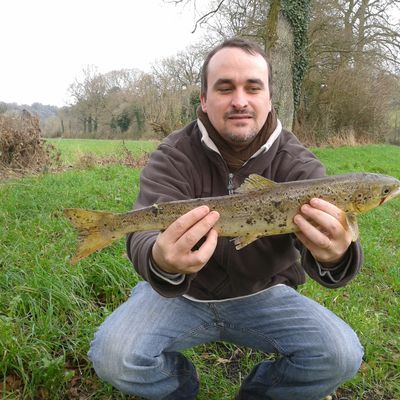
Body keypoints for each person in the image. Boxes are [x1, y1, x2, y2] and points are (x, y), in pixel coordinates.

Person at [88, 38, 364, 400]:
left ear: (268, 98)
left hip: (265, 294)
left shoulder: (299, 164)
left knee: (341, 355)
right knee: (113, 355)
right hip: (182, 296)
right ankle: (180, 390)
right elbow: (145, 228)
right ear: (203, 99)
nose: (239, 100)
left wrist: (336, 254)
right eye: (224, 88)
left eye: (253, 87)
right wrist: (161, 259)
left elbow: (325, 251)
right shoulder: (173, 155)